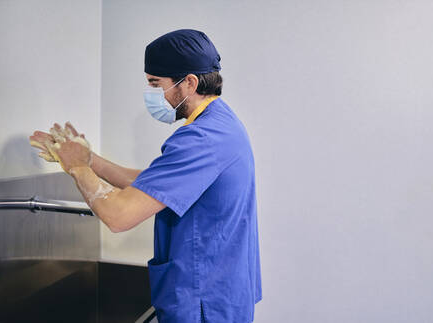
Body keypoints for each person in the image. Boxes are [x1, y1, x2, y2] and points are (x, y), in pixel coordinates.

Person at [29, 29, 262, 323]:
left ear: (189, 82)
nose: (151, 94)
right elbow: (155, 183)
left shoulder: (201, 138)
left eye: (155, 84)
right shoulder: (220, 123)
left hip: (202, 303)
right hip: (218, 290)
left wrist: (77, 168)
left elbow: (119, 215)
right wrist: (90, 159)